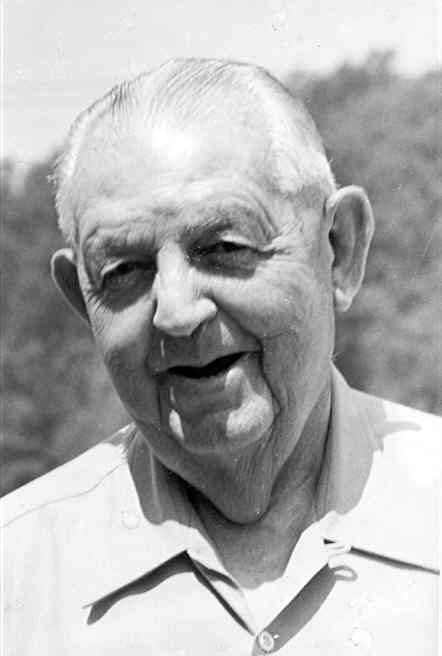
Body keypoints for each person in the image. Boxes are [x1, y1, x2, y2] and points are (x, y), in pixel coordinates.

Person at [3, 58, 440, 655]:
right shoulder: (17, 577)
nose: (176, 312)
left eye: (223, 247)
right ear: (84, 303)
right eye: (124, 270)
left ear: (338, 251)